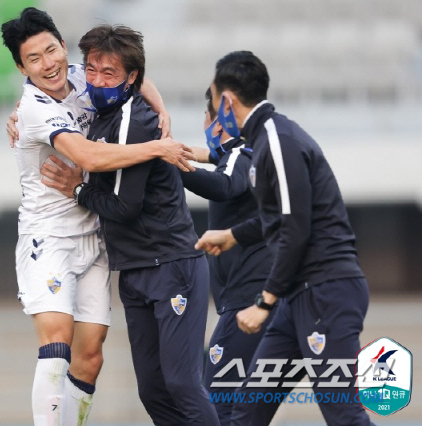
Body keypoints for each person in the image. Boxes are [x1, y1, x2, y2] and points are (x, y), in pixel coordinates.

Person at [0, 8, 195, 426]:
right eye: (34, 59)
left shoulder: (82, 75)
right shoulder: (33, 108)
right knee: (57, 344)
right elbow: (87, 155)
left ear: (62, 46)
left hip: (95, 231)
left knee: (90, 355)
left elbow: (132, 73)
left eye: (51, 50)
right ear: (22, 67)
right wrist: (157, 148)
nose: (47, 63)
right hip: (47, 238)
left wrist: (159, 107)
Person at [40, 24, 219, 426]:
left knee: (182, 383)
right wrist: (18, 115)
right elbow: (49, 88)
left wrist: (78, 190)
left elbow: (123, 207)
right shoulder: (100, 102)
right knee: (153, 390)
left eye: (110, 74)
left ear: (130, 77)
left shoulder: (130, 121)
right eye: (92, 70)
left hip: (172, 265)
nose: (98, 81)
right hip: (136, 270)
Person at [195, 51, 374, 426]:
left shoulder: (278, 141)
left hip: (326, 291)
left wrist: (265, 300)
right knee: (246, 413)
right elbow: (276, 218)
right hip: (296, 298)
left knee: (342, 412)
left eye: (212, 100)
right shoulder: (262, 142)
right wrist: (232, 235)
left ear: (227, 101)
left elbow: (296, 228)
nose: (211, 110)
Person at [181, 87, 272, 425]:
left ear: (218, 123)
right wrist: (202, 156)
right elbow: (228, 164)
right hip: (258, 297)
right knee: (245, 411)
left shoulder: (240, 153)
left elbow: (224, 185)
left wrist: (174, 168)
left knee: (217, 405)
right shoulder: (248, 154)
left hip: (246, 301)